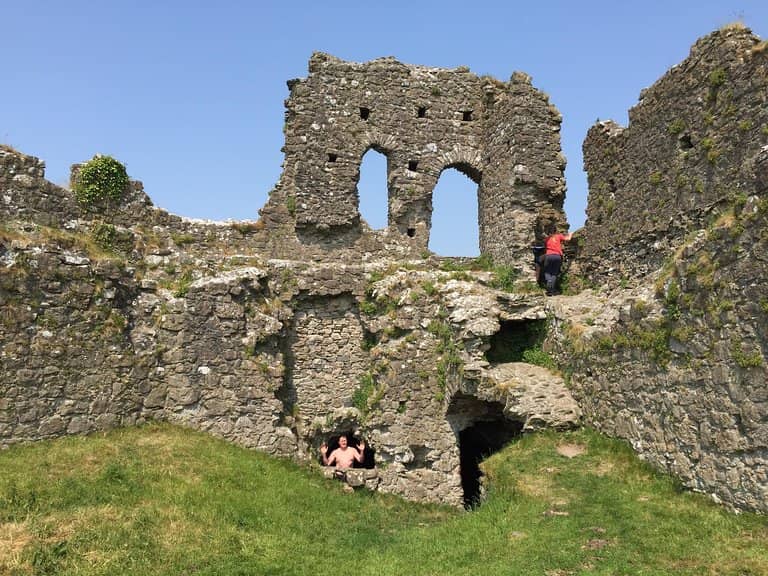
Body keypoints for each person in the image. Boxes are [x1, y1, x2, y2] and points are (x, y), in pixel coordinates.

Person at [542, 230, 573, 296]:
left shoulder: (547, 238)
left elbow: (544, 246)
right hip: (557, 256)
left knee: (547, 271)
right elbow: (568, 239)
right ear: (556, 232)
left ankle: (549, 283)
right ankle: (551, 290)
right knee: (554, 273)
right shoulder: (559, 236)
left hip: (548, 256)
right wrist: (570, 234)